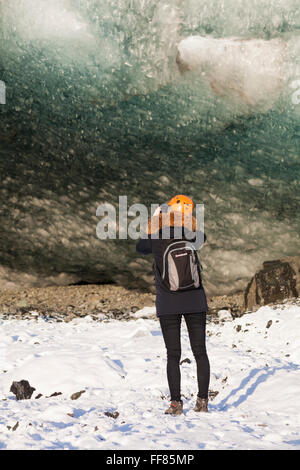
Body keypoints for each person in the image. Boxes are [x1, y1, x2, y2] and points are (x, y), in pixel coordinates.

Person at [136, 195, 210, 416]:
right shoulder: (193, 235)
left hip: (168, 302)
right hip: (196, 299)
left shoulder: (157, 236)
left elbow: (140, 247)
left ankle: (176, 404)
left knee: (173, 354)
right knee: (200, 352)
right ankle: (203, 401)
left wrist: (156, 219)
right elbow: (202, 237)